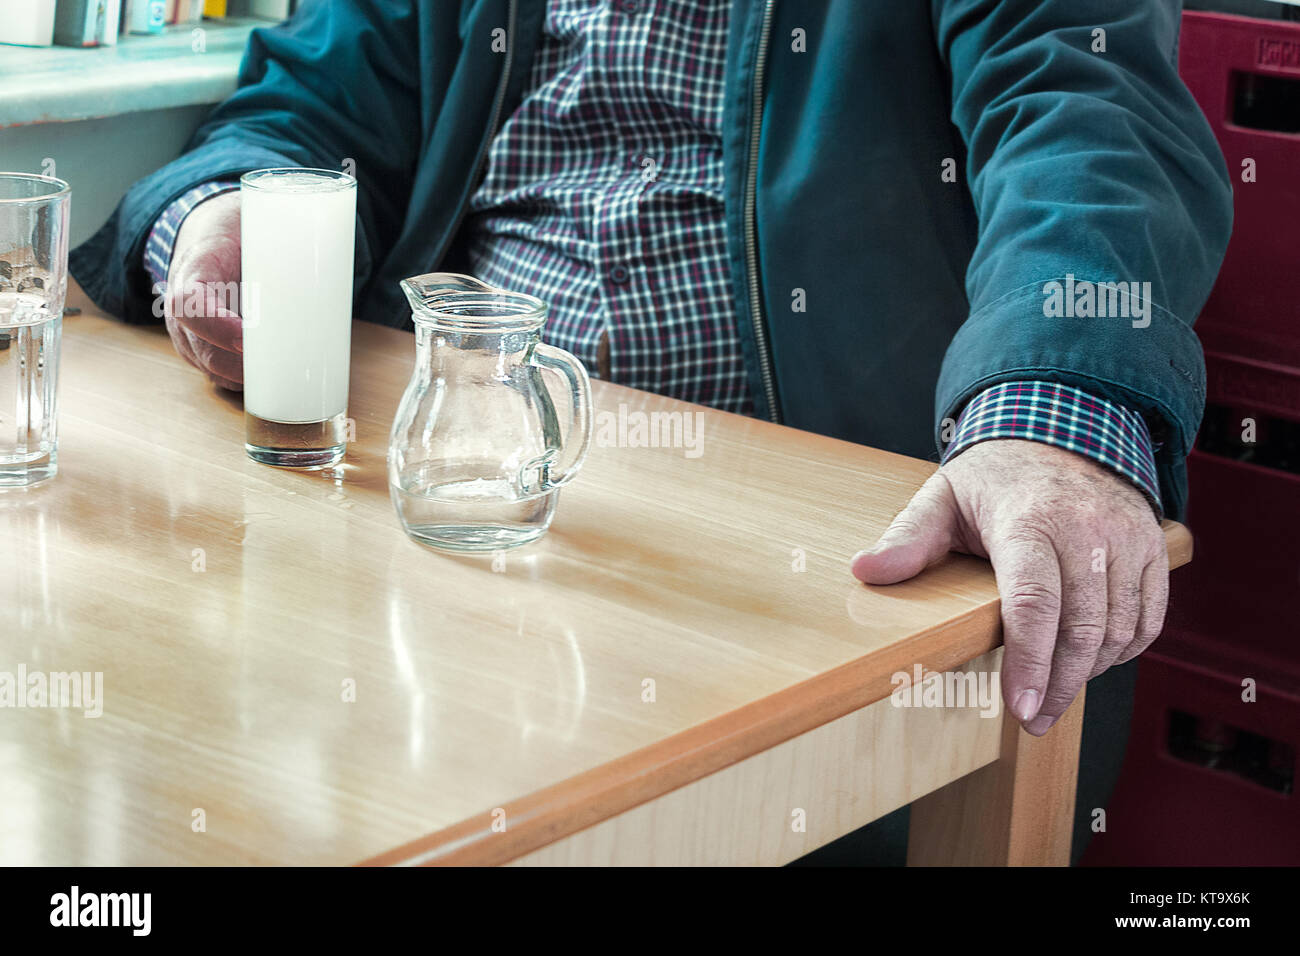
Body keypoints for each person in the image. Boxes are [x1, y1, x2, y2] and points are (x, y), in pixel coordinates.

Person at [69, 0, 1232, 863]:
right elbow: (303, 110)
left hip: (812, 573)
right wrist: (214, 218)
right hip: (446, 523)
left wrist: (1046, 413)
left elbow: (1089, 122)